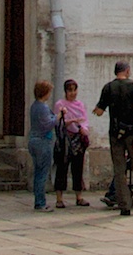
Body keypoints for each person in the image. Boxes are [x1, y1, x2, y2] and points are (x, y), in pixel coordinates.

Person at [92, 60, 133, 216]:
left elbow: (100, 110)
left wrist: (96, 110)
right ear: (127, 71)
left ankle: (124, 205)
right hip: (131, 133)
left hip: (115, 134)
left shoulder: (108, 87)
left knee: (119, 170)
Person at [53, 79, 90, 208]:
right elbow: (58, 122)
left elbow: (84, 120)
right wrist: (71, 120)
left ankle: (79, 196)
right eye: (70, 90)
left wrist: (84, 129)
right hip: (66, 139)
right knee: (62, 167)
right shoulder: (60, 105)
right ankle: (59, 197)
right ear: (65, 91)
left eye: (75, 90)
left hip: (78, 139)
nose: (73, 93)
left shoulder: (80, 104)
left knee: (78, 167)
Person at [28, 80, 56, 211]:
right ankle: (40, 202)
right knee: (42, 173)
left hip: (33, 140)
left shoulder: (34, 106)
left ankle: (38, 200)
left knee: (38, 171)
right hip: (42, 141)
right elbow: (47, 125)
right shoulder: (43, 107)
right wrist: (58, 116)